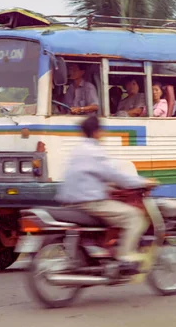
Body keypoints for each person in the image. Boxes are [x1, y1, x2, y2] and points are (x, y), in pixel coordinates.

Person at [56, 116, 158, 273]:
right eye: (102, 130)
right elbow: (115, 174)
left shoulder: (78, 150)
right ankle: (125, 256)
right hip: (90, 202)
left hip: (70, 200)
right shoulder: (94, 151)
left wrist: (107, 184)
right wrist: (142, 182)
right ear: (97, 132)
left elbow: (93, 175)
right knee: (134, 216)